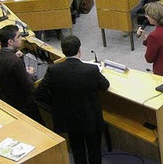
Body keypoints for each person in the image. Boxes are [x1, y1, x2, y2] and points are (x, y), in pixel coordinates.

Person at [35, 35, 109, 164]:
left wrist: (55, 103)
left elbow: (39, 93)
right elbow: (105, 85)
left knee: (77, 150)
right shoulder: (91, 69)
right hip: (90, 118)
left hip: (69, 119)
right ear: (80, 50)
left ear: (63, 50)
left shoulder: (53, 70)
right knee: (94, 150)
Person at [0, 25, 42, 122]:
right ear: (10, 42)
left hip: (6, 98)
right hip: (23, 104)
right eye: (18, 37)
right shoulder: (15, 62)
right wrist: (30, 74)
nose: (21, 39)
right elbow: (28, 86)